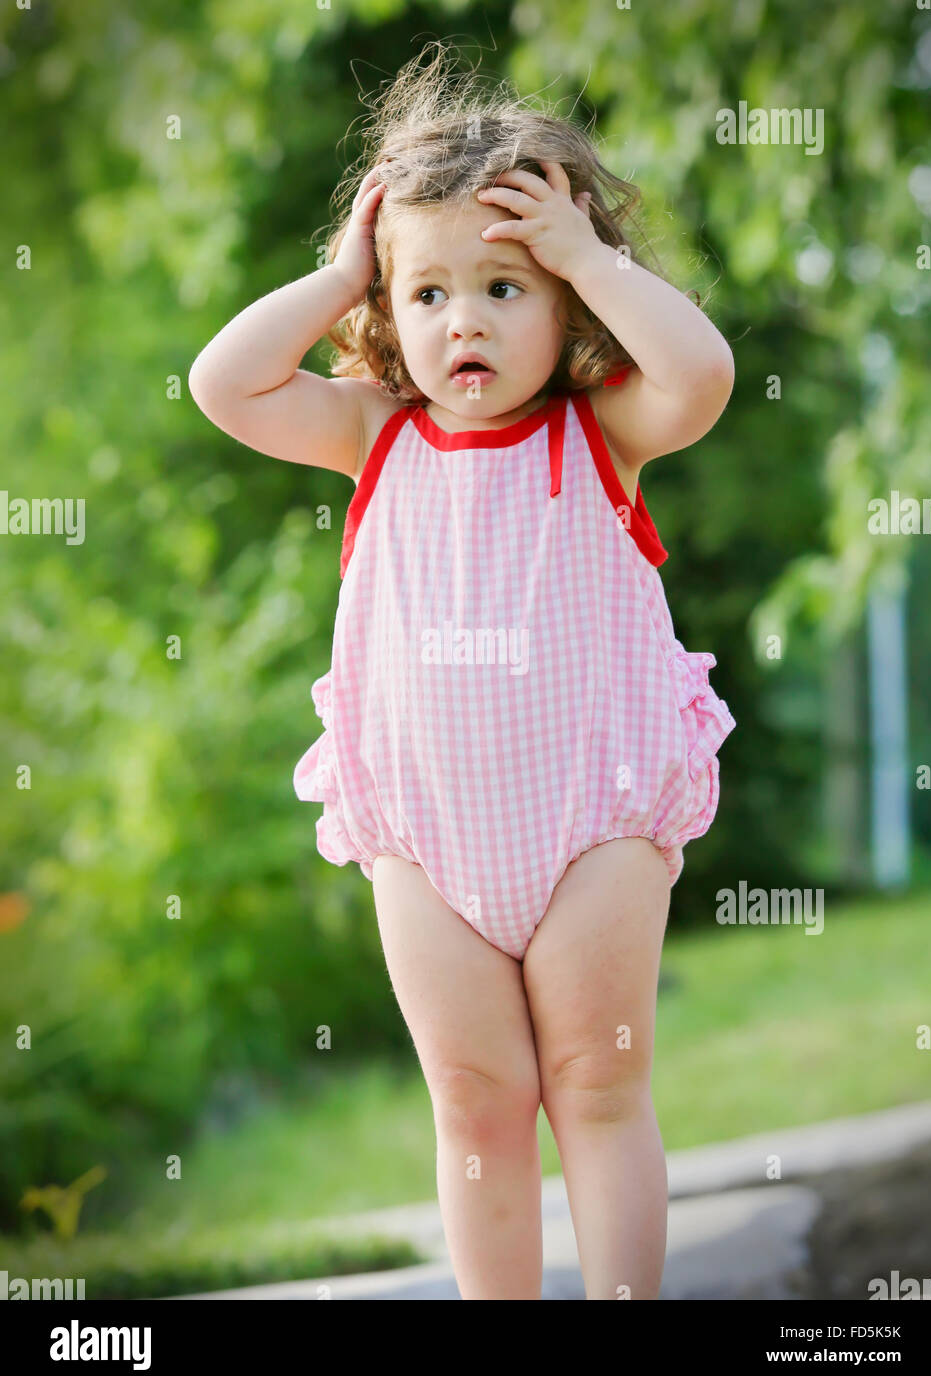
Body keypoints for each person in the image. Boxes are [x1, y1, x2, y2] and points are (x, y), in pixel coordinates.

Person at [189, 41, 736, 1300]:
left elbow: (701, 374)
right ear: (389, 307)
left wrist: (595, 254)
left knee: (598, 1087)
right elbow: (224, 384)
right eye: (426, 293)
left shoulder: (599, 435)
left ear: (564, 308)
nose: (464, 320)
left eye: (504, 285)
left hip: (591, 815)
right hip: (429, 840)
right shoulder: (373, 433)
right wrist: (340, 275)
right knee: (478, 1109)